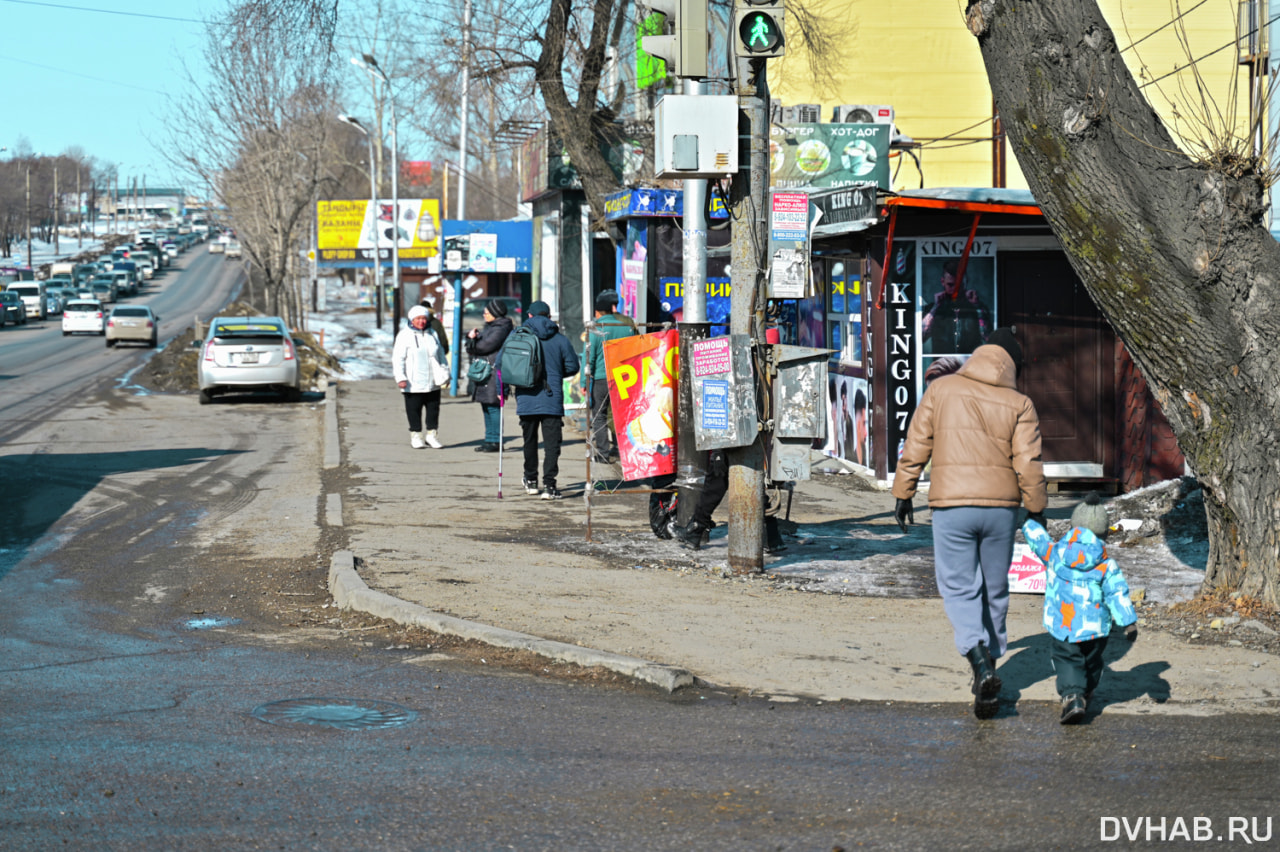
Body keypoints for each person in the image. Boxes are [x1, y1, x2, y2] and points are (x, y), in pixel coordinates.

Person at [892, 327, 1047, 719]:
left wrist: (904, 491)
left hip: (952, 506)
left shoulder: (942, 390)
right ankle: (991, 671)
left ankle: (977, 661)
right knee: (995, 591)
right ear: (1011, 364)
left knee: (960, 588)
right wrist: (1037, 508)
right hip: (1000, 509)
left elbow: (917, 442)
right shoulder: (1020, 403)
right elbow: (1028, 462)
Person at [1023, 493, 1138, 724]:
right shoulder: (1106, 564)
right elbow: (1117, 592)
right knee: (1092, 660)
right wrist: (1128, 621)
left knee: (1067, 659)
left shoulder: (1056, 553)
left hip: (1064, 624)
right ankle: (1086, 692)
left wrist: (1030, 522)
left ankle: (1073, 697)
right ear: (1103, 533)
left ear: (1073, 527)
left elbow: (1039, 542)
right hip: (1096, 628)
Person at [496, 300, 579, 500]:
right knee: (552, 444)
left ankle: (531, 481)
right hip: (552, 399)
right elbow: (573, 366)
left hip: (526, 397)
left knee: (529, 441)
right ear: (549, 317)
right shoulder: (560, 339)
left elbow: (501, 364)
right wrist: (556, 373)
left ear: (530, 316)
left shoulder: (516, 336)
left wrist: (506, 387)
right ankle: (550, 486)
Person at [583, 289, 637, 463]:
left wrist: (586, 382)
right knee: (621, 414)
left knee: (599, 415)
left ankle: (604, 453)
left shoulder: (596, 329)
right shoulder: (626, 327)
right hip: (623, 377)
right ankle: (624, 452)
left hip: (601, 378)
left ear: (598, 312)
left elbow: (589, 359)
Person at [393, 304, 449, 449]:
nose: (421, 321)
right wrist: (400, 377)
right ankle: (416, 435)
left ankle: (432, 436)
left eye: (424, 318)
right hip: (412, 381)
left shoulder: (432, 334)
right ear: (412, 320)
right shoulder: (404, 335)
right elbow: (397, 358)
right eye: (418, 318)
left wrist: (445, 373)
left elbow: (441, 355)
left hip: (433, 380)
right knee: (414, 409)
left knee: (433, 410)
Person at [464, 298, 514, 453]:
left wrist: (473, 340)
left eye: (487, 312)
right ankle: (489, 439)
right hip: (486, 372)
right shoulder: (492, 327)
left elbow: (484, 346)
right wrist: (473, 339)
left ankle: (496, 441)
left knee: (493, 407)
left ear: (495, 313)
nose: (484, 315)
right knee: (486, 405)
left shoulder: (500, 328)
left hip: (494, 372)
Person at [921, 260, 992, 355]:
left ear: (966, 282)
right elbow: (921, 337)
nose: (955, 290)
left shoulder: (978, 308)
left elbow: (988, 338)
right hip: (942, 365)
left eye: (960, 285)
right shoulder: (933, 308)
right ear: (943, 282)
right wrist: (935, 308)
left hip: (969, 365)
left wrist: (977, 307)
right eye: (951, 285)